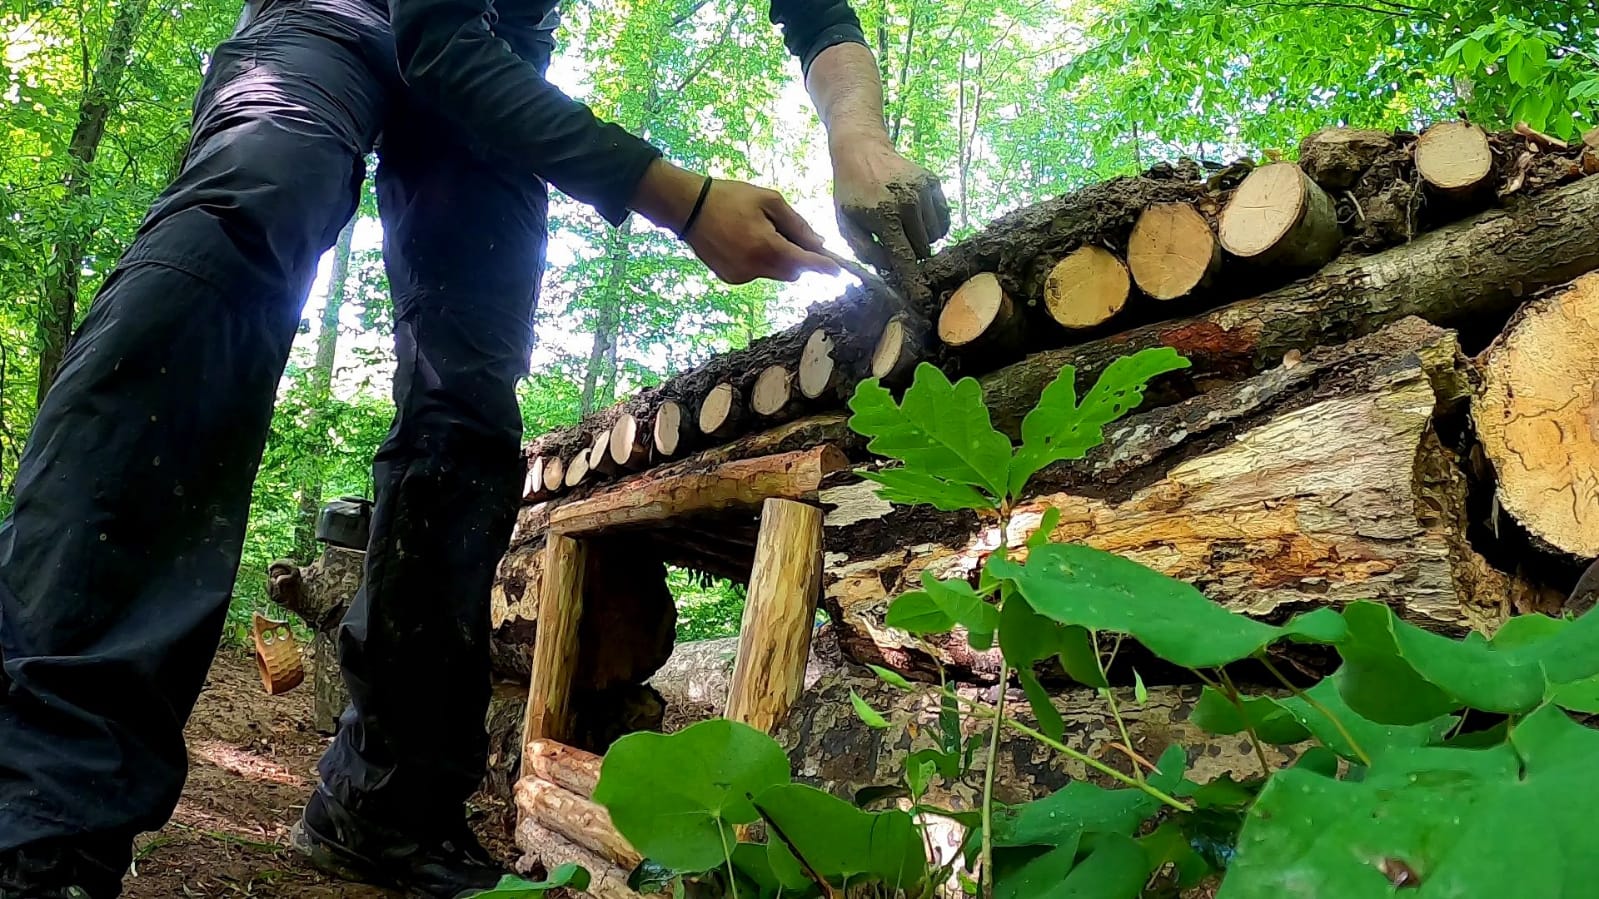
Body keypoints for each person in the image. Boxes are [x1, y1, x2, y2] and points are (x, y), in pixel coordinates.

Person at [0, 0, 949, 893]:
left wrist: (858, 140)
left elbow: (817, 13)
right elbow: (436, 38)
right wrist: (685, 201)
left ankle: (388, 803)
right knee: (240, 226)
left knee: (467, 407)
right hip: (338, 17)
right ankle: (42, 802)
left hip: (496, 61)